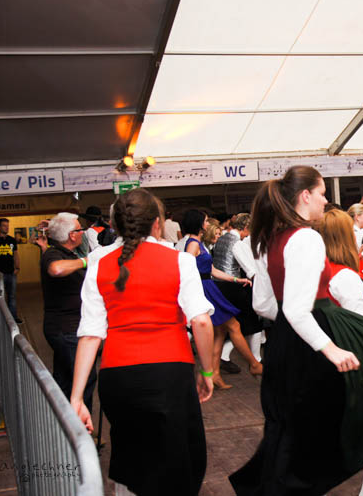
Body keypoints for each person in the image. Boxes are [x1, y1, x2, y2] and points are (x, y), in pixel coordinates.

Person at [229, 166, 363, 495]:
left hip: (288, 340)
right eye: (321, 193)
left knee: (299, 429)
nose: (325, 200)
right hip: (313, 338)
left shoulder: (269, 239)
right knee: (345, 416)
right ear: (305, 196)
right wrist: (331, 347)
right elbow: (296, 309)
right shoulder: (305, 238)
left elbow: (264, 304)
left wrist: (294, 328)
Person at [70, 188, 215, 496]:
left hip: (118, 375)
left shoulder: (99, 265)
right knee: (179, 457)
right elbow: (201, 321)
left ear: (115, 225)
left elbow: (90, 334)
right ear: (157, 224)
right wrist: (206, 371)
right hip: (170, 372)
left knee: (131, 456)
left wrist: (77, 397)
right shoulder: (180, 261)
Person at [182, 209, 258, 389]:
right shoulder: (193, 244)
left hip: (209, 287)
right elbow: (186, 270)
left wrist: (236, 279)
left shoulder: (197, 243)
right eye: (205, 221)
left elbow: (212, 270)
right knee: (234, 326)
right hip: (205, 290)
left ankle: (214, 374)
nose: (208, 224)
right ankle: (254, 364)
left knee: (220, 333)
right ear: (198, 224)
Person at [40, 213, 96, 411]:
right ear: (72, 235)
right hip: (66, 330)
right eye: (80, 230)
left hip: (68, 328)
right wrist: (85, 261)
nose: (83, 233)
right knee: (84, 378)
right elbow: (56, 269)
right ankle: (80, 426)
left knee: (65, 379)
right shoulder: (53, 254)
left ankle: (63, 422)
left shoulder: (69, 252)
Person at [211, 213, 264, 377]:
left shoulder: (222, 238)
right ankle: (256, 360)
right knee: (254, 323)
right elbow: (249, 268)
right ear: (246, 227)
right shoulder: (238, 243)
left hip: (218, 285)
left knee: (231, 325)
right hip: (233, 285)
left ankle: (224, 356)